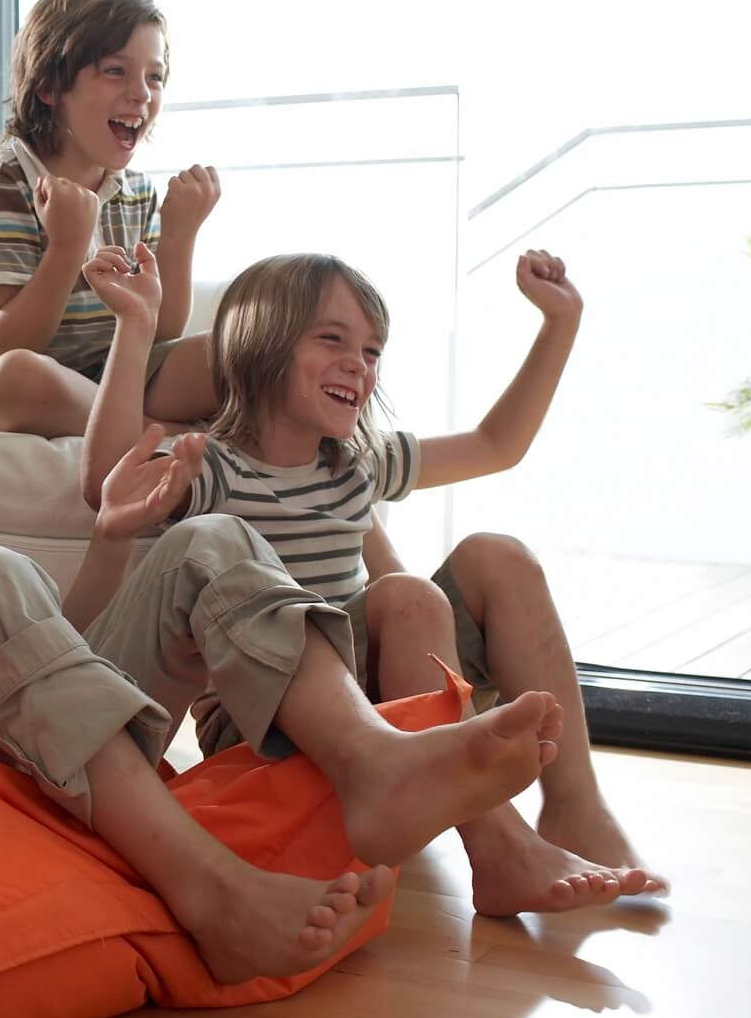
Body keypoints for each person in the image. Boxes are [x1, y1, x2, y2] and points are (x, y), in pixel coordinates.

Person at [0, 296, 570, 985]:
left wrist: (114, 536)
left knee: (207, 540)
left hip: (12, 749)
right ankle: (208, 889)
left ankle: (371, 759)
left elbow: (54, 665)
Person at [79, 243, 663, 913]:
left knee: (497, 555)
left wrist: (558, 325)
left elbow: (496, 445)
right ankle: (496, 848)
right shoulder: (212, 467)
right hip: (259, 712)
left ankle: (575, 806)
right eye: (331, 340)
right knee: (404, 595)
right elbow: (103, 488)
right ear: (257, 347)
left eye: (371, 351)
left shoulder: (355, 463)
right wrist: (136, 325)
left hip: (369, 688)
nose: (357, 365)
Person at [0, 0, 222, 437]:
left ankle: (144, 425)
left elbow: (162, 328)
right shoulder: (2, 187)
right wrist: (67, 247)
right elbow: (7, 344)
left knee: (233, 356)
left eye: (155, 76)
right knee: (20, 377)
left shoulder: (135, 193)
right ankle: (161, 433)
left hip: (113, 374)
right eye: (115, 71)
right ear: (50, 87)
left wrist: (179, 235)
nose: (142, 94)